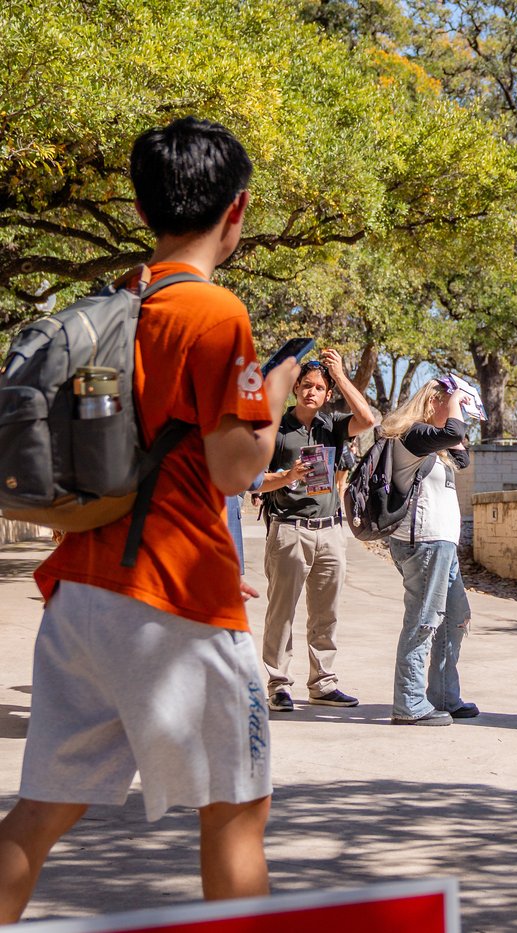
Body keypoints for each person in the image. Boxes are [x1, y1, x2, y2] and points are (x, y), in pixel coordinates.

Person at [0, 116, 300, 921]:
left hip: (82, 590)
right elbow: (235, 468)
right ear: (237, 211)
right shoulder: (214, 314)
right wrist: (270, 400)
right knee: (237, 812)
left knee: (38, 814)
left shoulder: (117, 302)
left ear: (141, 212)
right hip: (178, 598)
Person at [258, 351, 376, 712]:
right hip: (289, 530)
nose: (312, 392)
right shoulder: (276, 428)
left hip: (330, 532)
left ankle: (322, 683)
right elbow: (253, 481)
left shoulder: (333, 425)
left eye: (319, 387)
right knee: (282, 611)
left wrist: (340, 375)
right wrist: (288, 476)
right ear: (296, 389)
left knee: (326, 612)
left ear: (327, 394)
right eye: (306, 385)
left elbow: (368, 419)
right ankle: (278, 684)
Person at [379, 379, 477, 726]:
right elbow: (453, 433)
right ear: (433, 402)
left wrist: (457, 410)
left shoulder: (437, 445)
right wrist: (453, 404)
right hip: (422, 542)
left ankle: (444, 695)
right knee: (424, 619)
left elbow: (462, 456)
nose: (457, 411)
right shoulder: (411, 434)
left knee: (454, 617)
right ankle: (408, 703)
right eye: (450, 403)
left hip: (442, 544)